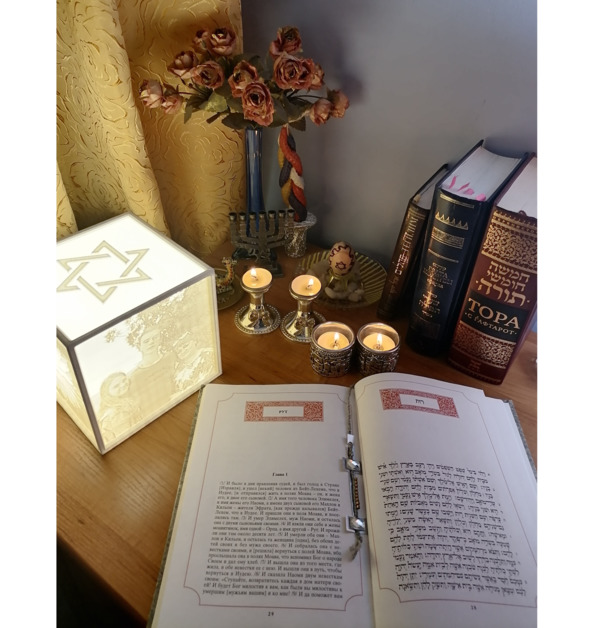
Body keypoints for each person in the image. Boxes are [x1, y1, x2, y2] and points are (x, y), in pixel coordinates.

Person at [98, 372, 142, 442]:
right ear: (107, 393)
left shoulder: (126, 401)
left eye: (124, 380)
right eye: (116, 386)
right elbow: (127, 437)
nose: (123, 385)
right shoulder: (116, 413)